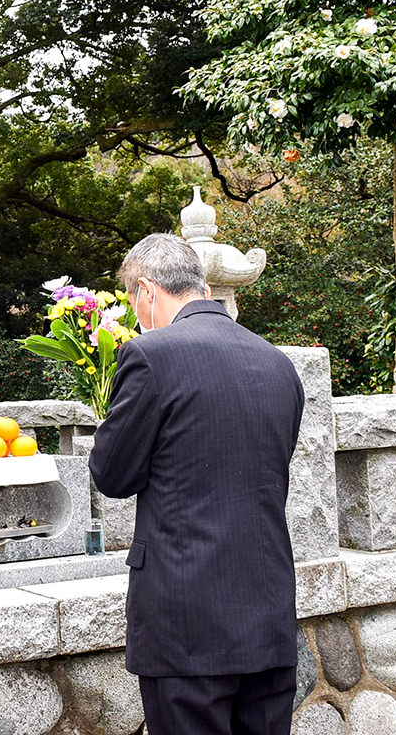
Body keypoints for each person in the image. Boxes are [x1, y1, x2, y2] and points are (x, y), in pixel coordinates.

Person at [89, 233, 305, 735]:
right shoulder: (277, 362)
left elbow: (112, 475)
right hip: (268, 610)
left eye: (133, 299)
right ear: (203, 287)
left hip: (186, 619)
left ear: (146, 291)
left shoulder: (149, 355)